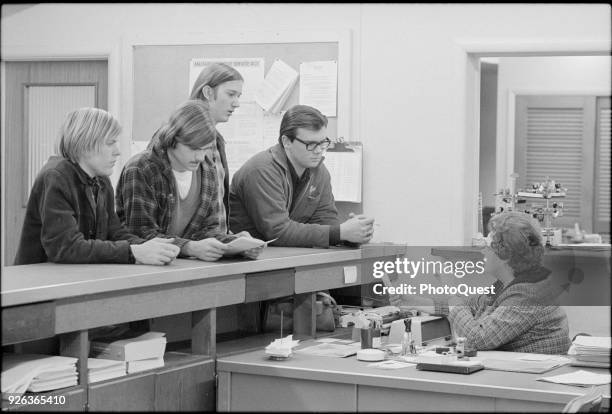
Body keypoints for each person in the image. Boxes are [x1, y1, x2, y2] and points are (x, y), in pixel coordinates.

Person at [14, 107, 179, 266]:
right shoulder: (55, 177)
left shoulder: (101, 180)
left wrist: (148, 246)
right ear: (85, 144)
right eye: (110, 143)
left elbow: (114, 233)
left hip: (77, 277)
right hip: (40, 283)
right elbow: (65, 248)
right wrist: (133, 252)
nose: (117, 151)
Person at [405, 211, 571, 354]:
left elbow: (478, 339)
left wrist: (450, 291)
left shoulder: (528, 295)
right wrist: (415, 302)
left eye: (489, 246)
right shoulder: (506, 285)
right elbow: (470, 306)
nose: (483, 250)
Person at [116, 100, 259, 261]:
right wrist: (190, 248)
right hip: (146, 268)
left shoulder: (207, 170)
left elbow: (207, 231)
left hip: (185, 267)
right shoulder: (141, 168)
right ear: (173, 139)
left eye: (205, 149)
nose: (200, 157)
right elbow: (141, 234)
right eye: (193, 148)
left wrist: (236, 244)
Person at [229, 104, 375, 248]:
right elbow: (278, 232)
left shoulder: (319, 170)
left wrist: (352, 235)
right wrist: (339, 233)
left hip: (285, 256)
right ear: (287, 142)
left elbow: (325, 221)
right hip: (245, 259)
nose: (319, 151)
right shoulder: (261, 170)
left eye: (323, 143)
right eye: (311, 144)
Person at [189, 62, 243, 234]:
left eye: (238, 96)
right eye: (231, 94)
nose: (236, 103)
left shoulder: (217, 139)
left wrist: (229, 237)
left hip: (214, 245)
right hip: (191, 249)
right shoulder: (179, 138)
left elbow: (215, 204)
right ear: (208, 92)